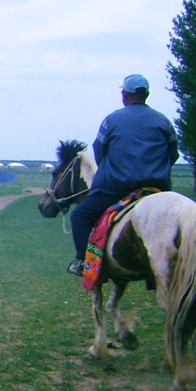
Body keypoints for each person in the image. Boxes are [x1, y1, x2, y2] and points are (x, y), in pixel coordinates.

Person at [67, 74, 178, 276]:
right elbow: (173, 155)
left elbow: (100, 153)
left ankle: (87, 263)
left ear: (124, 95)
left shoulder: (111, 120)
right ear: (146, 95)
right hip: (157, 189)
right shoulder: (164, 122)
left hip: (116, 189)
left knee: (80, 217)